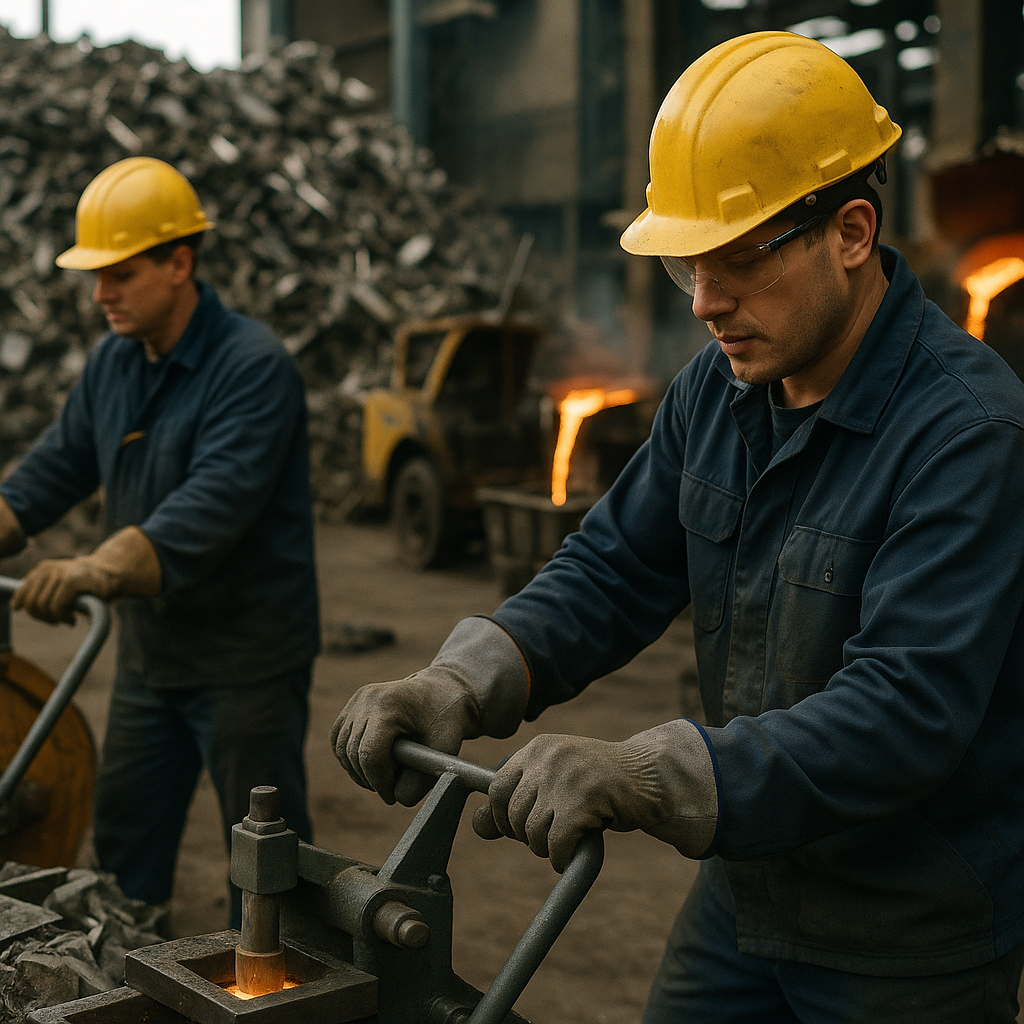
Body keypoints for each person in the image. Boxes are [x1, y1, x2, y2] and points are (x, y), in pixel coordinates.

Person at [331, 30, 1024, 1022]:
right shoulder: (722, 388)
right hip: (744, 897)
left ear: (852, 231)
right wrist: (462, 677)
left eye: (736, 259)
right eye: (686, 267)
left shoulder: (965, 430)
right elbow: (614, 567)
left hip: (904, 939)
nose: (704, 303)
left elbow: (903, 711)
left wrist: (652, 770)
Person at [0, 156, 320, 929]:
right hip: (150, 663)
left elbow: (206, 511)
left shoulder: (251, 367)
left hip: (245, 664)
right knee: (123, 857)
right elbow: (51, 470)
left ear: (181, 263)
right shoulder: (114, 362)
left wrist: (89, 569)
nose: (100, 294)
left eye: (121, 273)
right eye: (94, 275)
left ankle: (287, 995)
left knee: (264, 869)